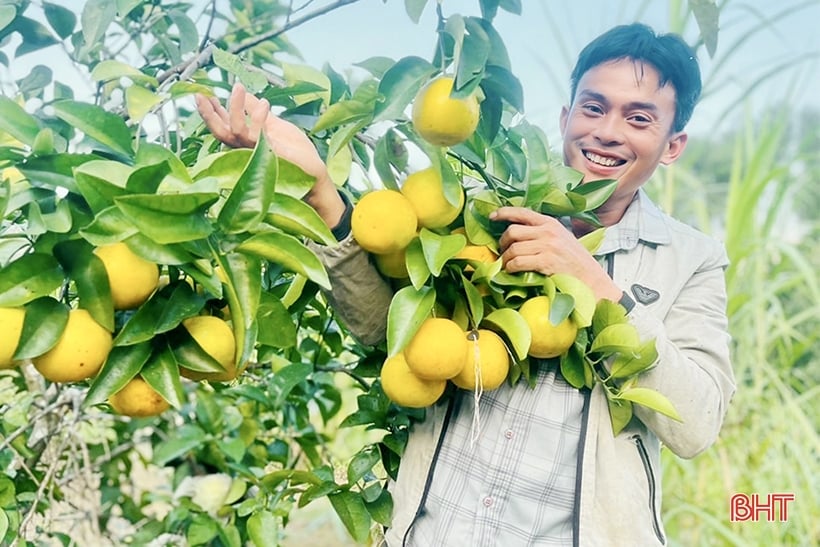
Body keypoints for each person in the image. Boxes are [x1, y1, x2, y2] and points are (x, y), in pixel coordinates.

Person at [196, 22, 735, 547]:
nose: (609, 131)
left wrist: (592, 284)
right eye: (594, 108)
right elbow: (390, 337)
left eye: (639, 118)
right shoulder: (478, 208)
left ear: (672, 144)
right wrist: (319, 191)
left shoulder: (692, 260)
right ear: (567, 116)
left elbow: (696, 423)